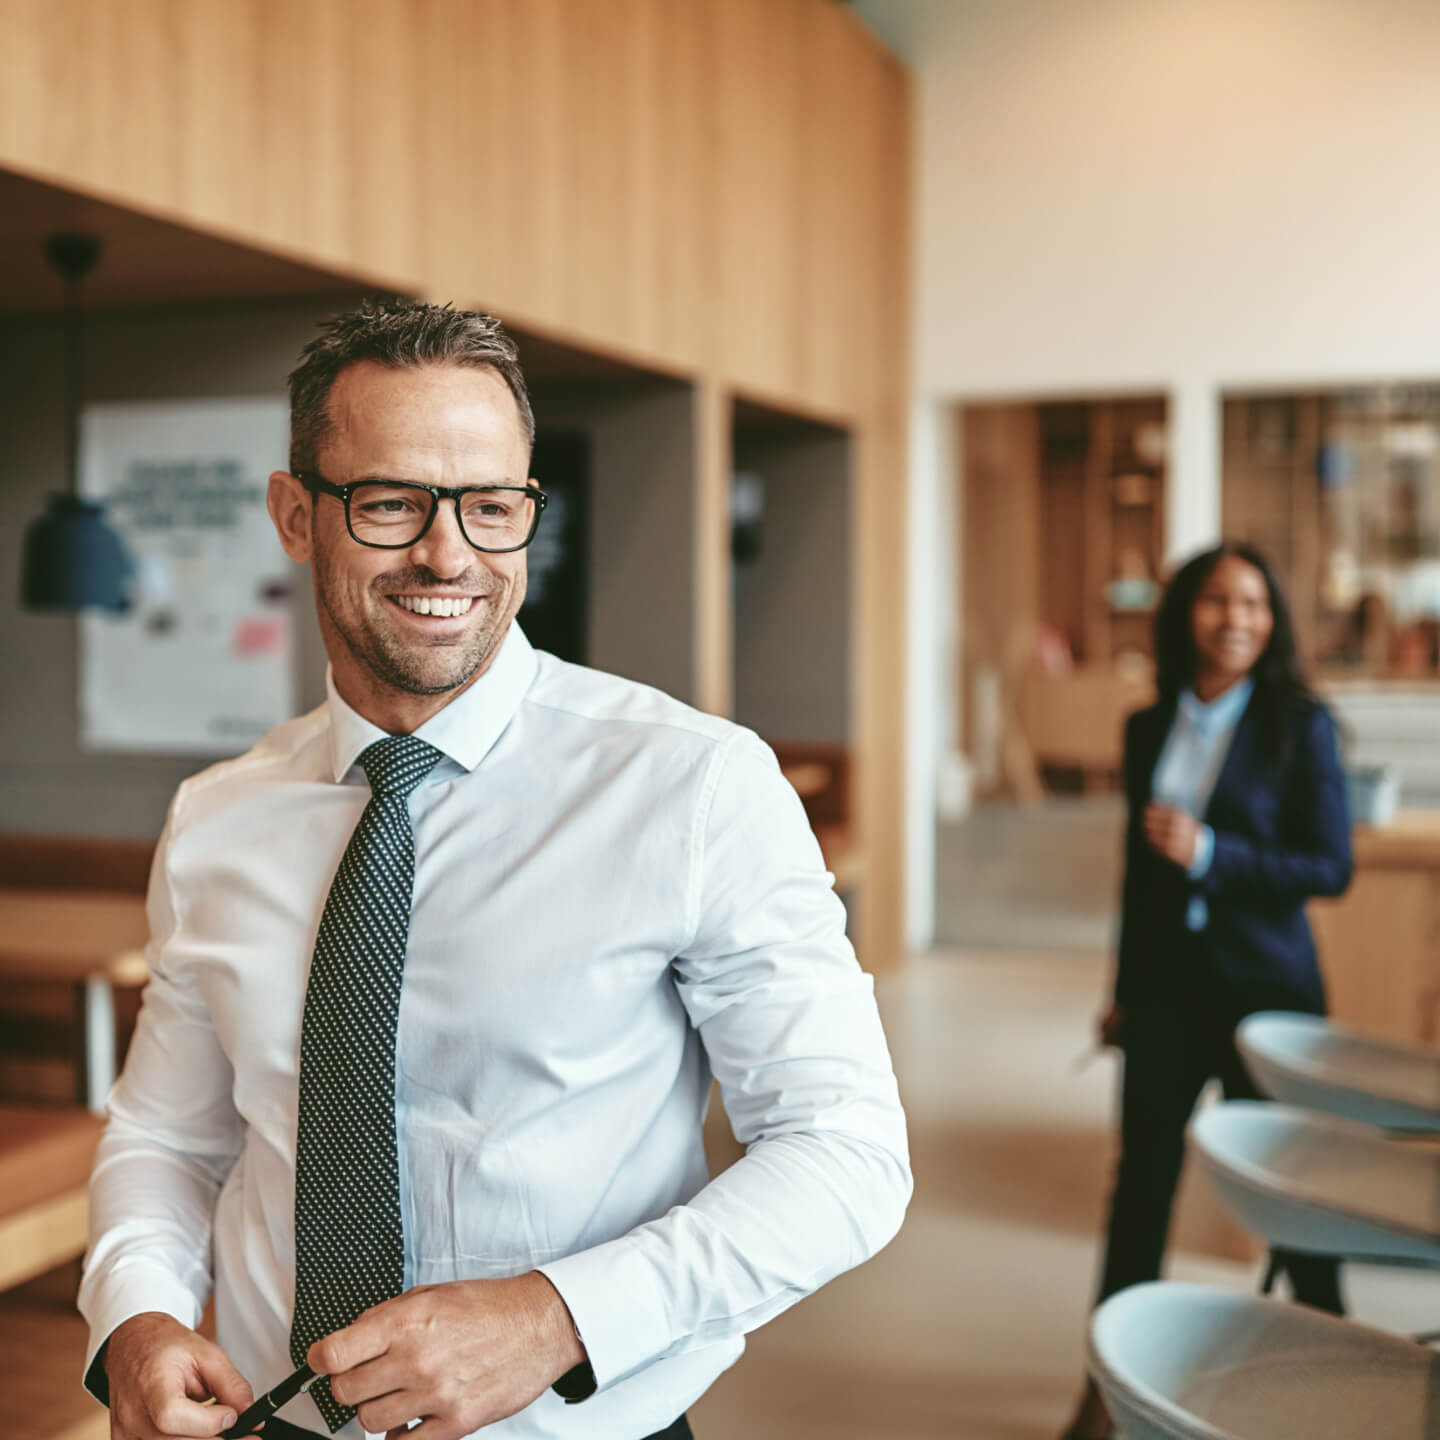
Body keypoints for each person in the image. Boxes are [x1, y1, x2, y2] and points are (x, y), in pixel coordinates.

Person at [79, 301, 912, 1440]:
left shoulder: (694, 788)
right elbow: (170, 1139)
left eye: (491, 506)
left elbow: (846, 1154)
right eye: (389, 503)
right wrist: (137, 1320)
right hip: (270, 1421)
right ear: (294, 516)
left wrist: (554, 1319)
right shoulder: (218, 818)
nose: (448, 554)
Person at [1061, 543, 1352, 1440]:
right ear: (1187, 611)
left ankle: (1337, 1380)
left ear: (1275, 620)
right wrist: (1118, 990)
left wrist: (1214, 854)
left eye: (1255, 604)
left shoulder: (1299, 724)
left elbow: (1328, 866)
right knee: (1140, 1189)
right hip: (1163, 994)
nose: (1237, 619)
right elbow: (1134, 877)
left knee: (1292, 1196)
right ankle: (1107, 1390)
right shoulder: (1148, 725)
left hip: (1268, 1000)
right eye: (1218, 600)